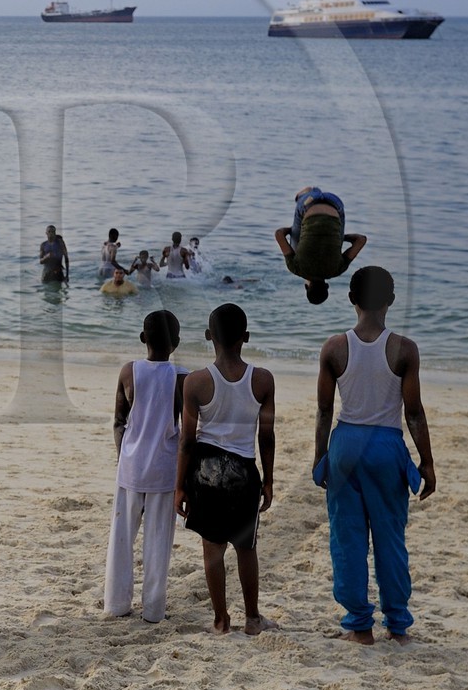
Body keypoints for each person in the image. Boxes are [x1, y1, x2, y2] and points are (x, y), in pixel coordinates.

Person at [313, 266, 435, 644]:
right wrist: (426, 461)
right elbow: (413, 412)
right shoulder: (404, 349)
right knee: (390, 538)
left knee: (346, 537)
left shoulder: (335, 347)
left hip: (346, 445)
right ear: (391, 301)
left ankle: (359, 625)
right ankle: (397, 624)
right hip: (386, 446)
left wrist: (320, 457)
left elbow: (323, 410)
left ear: (351, 299)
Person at [176, 304, 279, 635]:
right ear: (246, 338)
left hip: (205, 473)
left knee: (213, 550)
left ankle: (221, 620)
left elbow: (187, 442)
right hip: (243, 472)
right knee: (246, 548)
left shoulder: (195, 382)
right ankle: (252, 618)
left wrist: (180, 486)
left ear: (209, 337)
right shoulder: (261, 380)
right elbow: (266, 435)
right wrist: (269, 481)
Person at [105, 310, 186, 623]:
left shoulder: (129, 372)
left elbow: (118, 422)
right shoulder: (182, 377)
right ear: (176, 343)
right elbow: (188, 430)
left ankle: (116, 604)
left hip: (131, 466)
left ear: (143, 339)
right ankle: (153, 610)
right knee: (158, 542)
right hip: (165, 469)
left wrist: (121, 456)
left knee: (121, 539)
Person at [274, 187, 367, 304]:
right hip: (307, 204)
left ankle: (314, 192)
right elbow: (279, 234)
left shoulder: (338, 270)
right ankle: (305, 194)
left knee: (333, 228)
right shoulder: (296, 268)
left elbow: (361, 240)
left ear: (327, 286)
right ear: (306, 287)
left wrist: (339, 238)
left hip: (335, 204)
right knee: (294, 248)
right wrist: (292, 230)